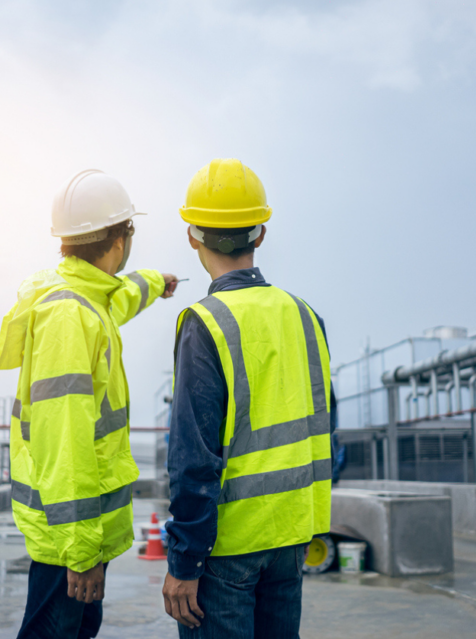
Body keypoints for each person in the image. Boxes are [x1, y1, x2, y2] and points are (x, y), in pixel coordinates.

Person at [0, 169, 180, 639]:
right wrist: (80, 554)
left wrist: (156, 282)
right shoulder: (70, 317)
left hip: (74, 529)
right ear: (120, 239)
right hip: (69, 536)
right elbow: (65, 441)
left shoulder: (80, 298)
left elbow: (115, 300)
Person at [162, 159, 337, 638]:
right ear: (260, 234)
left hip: (226, 549)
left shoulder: (204, 321)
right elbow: (325, 427)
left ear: (192, 236)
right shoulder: (305, 316)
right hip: (291, 536)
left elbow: (193, 457)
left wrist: (184, 559)